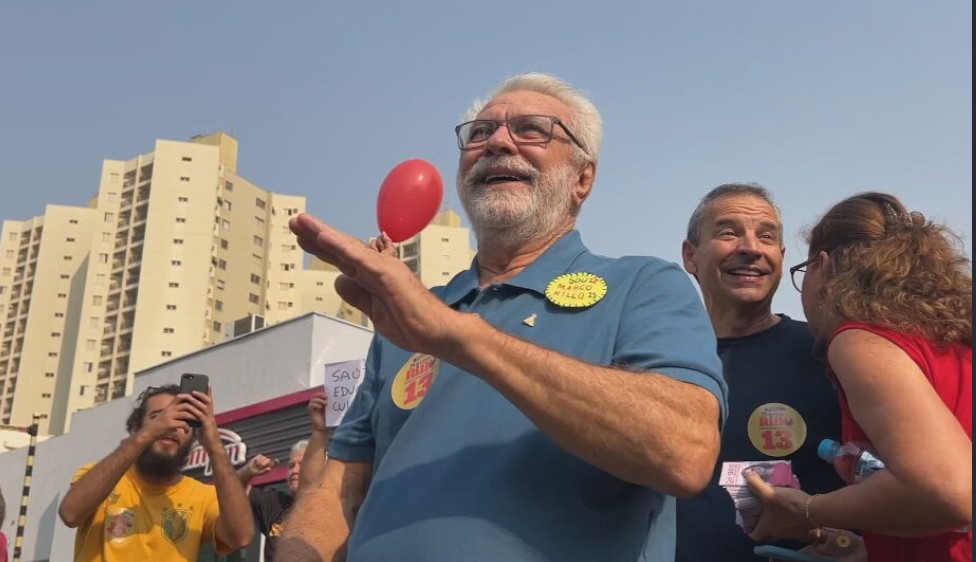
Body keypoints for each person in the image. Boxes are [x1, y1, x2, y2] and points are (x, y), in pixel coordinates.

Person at [277, 72, 728, 561]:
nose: (495, 142)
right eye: (479, 132)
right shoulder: (406, 313)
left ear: (582, 179)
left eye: (531, 129)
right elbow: (340, 489)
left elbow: (684, 452)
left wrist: (460, 338)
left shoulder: (643, 286)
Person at [745, 192, 972, 561]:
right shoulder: (950, 338)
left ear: (822, 266)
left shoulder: (858, 341)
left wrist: (806, 510)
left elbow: (948, 492)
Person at [676, 183, 847, 561]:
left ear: (781, 257)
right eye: (728, 232)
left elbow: (900, 474)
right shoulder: (659, 360)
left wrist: (870, 546)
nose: (751, 248)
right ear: (690, 256)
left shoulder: (832, 353)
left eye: (766, 237)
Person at [58, 384, 254, 560]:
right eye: (158, 417)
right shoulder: (101, 477)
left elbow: (241, 537)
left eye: (183, 420)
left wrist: (215, 446)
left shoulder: (203, 497)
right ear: (136, 428)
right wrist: (149, 433)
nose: (171, 426)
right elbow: (70, 513)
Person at [237, 393, 329, 561]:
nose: (294, 470)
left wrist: (319, 431)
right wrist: (247, 472)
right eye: (291, 465)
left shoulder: (334, 509)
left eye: (302, 465)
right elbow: (233, 492)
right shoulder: (276, 504)